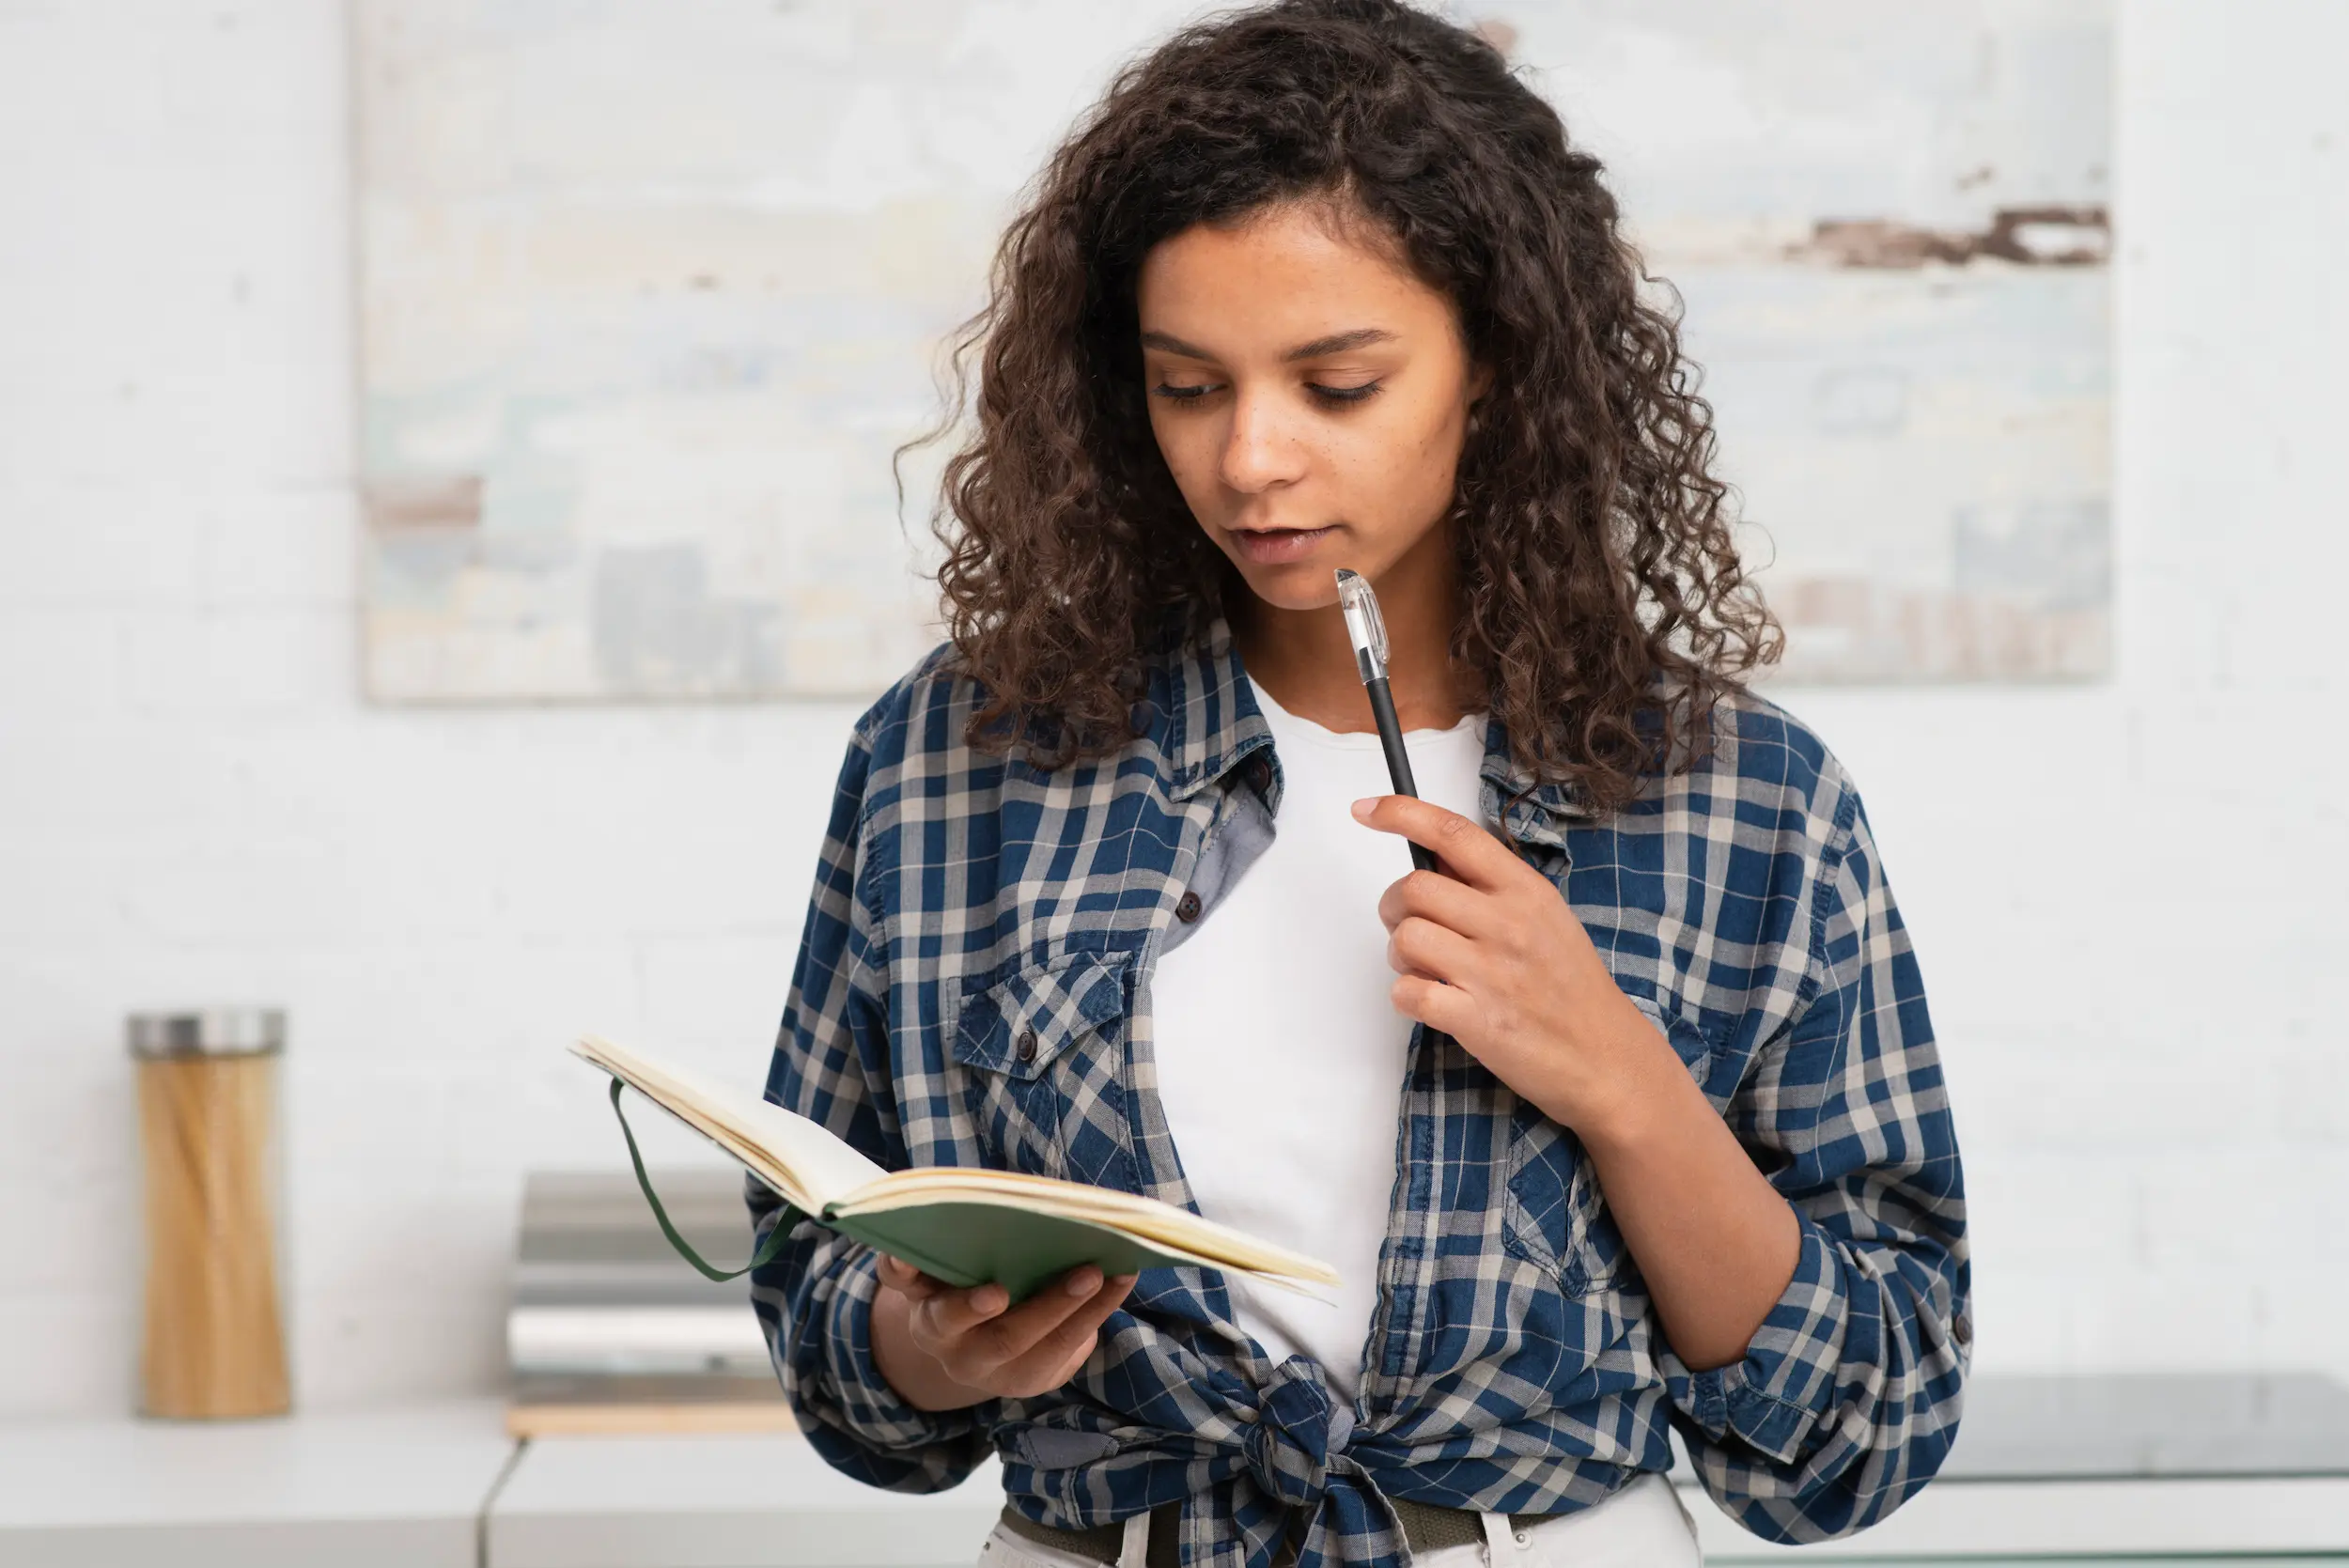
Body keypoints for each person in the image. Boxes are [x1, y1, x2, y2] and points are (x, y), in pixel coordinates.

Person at [747, 4, 1968, 1564]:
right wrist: (931, 1350)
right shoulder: (952, 762)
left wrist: (1624, 1081)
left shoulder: (1741, 799)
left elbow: (1865, 1431)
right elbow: (827, 1320)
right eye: (1191, 387)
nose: (1251, 458)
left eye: (1336, 386)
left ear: (1498, 374)